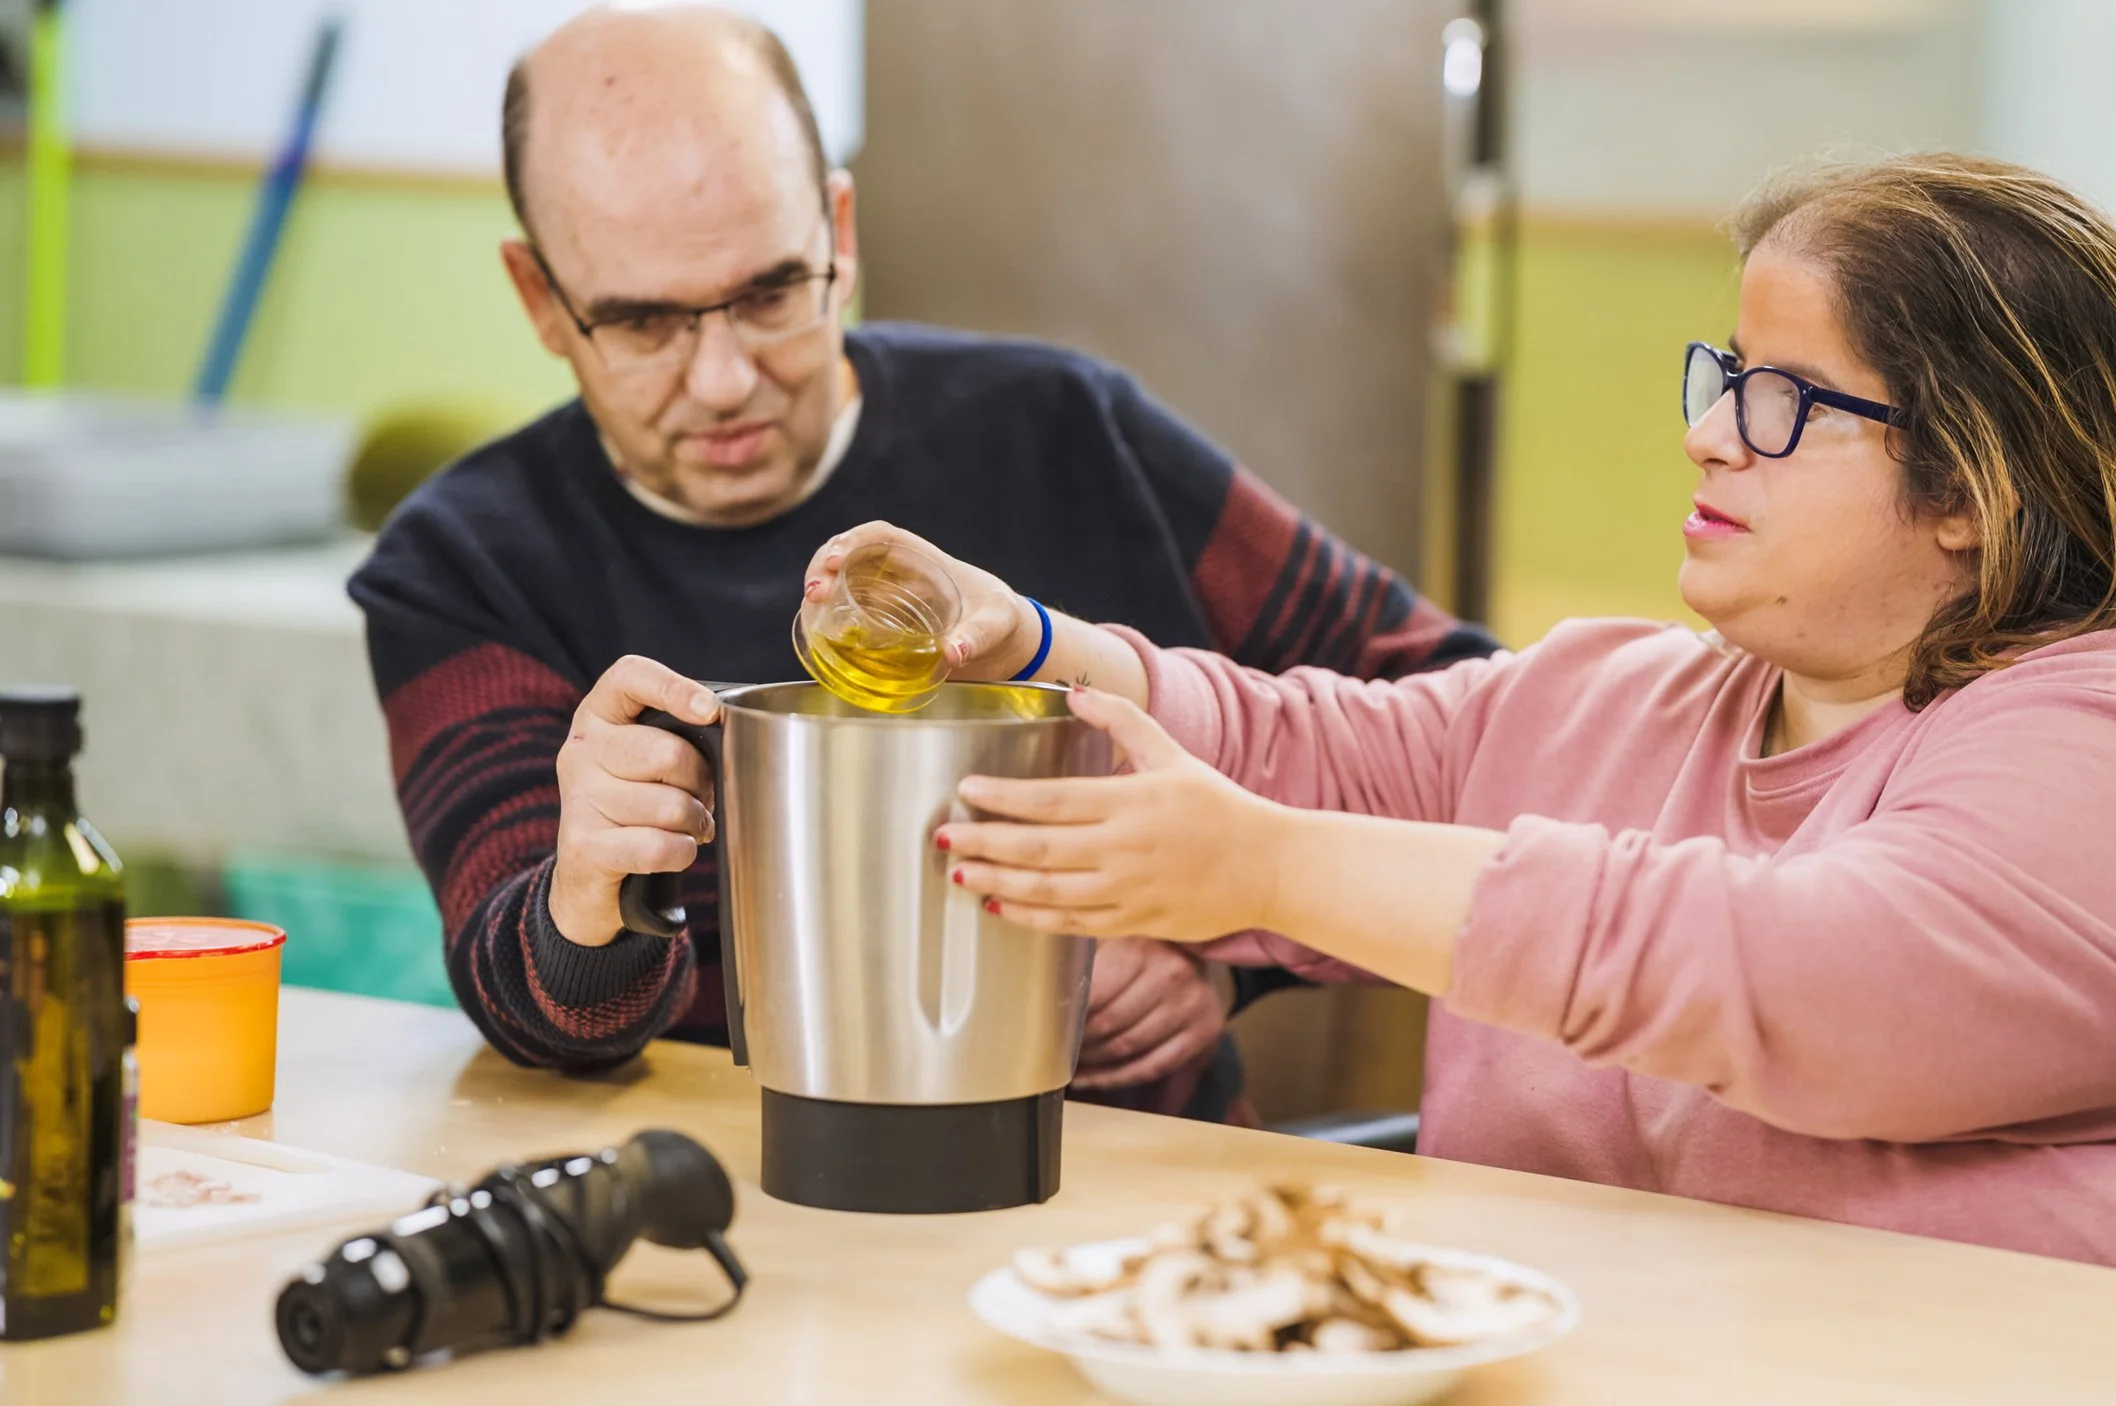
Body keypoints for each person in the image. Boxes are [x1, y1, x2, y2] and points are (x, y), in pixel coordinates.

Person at [818, 154, 2116, 1310]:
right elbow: (1317, 752)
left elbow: (1784, 974)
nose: (1709, 430)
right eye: (1724, 373)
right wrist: (1024, 643)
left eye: (1783, 402)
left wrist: (1268, 866)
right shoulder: (1616, 695)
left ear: (1974, 491)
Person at [345, 4, 1494, 1118]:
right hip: (729, 1198)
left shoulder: (1062, 429)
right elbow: (531, 1003)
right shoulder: (464, 565)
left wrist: (1226, 949)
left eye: (770, 293)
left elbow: (1473, 740)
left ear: (839, 233)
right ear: (540, 298)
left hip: (1130, 1190)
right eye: (644, 324)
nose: (723, 380)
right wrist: (578, 907)